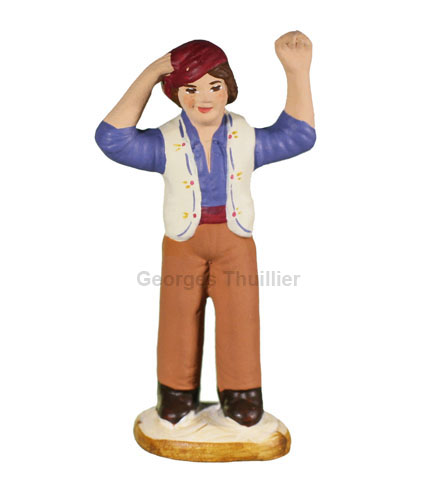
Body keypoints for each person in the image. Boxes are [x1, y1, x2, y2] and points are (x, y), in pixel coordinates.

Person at [95, 32, 316, 427]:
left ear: (229, 88)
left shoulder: (245, 136)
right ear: (176, 94)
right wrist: (150, 74)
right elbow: (112, 139)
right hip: (184, 240)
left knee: (240, 316)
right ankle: (175, 393)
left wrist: (297, 72)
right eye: (190, 89)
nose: (204, 98)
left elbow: (298, 136)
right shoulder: (166, 141)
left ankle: (242, 394)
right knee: (177, 317)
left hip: (235, 239)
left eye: (214, 86)